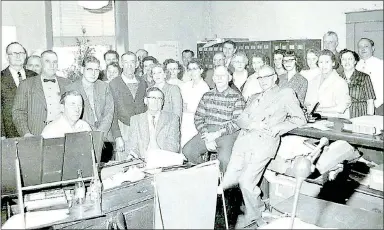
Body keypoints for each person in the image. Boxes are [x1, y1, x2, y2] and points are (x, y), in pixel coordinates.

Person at [220, 65, 307, 228]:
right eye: (260, 78)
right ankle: (231, 216)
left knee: (246, 182)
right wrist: (252, 124)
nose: (263, 81)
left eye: (267, 77)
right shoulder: (253, 97)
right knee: (228, 182)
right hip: (243, 143)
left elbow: (299, 119)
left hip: (263, 144)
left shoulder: (285, 94)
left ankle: (255, 215)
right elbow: (240, 120)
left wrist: (277, 128)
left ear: (275, 77)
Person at [182, 66, 246, 172]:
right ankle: (207, 173)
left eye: (223, 76)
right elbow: (198, 117)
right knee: (187, 151)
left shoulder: (237, 97)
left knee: (224, 160)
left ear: (229, 78)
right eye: (217, 76)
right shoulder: (206, 95)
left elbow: (237, 122)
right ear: (213, 78)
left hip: (227, 133)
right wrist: (206, 134)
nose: (219, 78)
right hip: (207, 132)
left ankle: (223, 185)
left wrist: (217, 134)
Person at [12, 50, 71, 136]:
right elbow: (18, 112)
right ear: (41, 63)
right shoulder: (26, 84)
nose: (52, 65)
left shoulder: (67, 83)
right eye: (47, 61)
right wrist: (26, 133)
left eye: (55, 62)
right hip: (36, 134)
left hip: (63, 133)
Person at [65, 56, 114, 140]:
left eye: (96, 70)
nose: (93, 73)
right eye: (90, 69)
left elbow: (109, 113)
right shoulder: (70, 89)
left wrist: (100, 134)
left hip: (105, 136)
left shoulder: (104, 87)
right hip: (81, 136)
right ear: (82, 70)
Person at [109, 51, 148, 157]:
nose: (129, 66)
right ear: (121, 64)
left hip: (141, 129)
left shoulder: (142, 82)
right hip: (123, 129)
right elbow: (112, 113)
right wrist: (117, 136)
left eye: (132, 62)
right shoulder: (114, 84)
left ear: (136, 64)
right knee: (124, 164)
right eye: (126, 62)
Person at [128, 87, 181, 159]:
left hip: (164, 160)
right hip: (142, 160)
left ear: (162, 103)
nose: (156, 101)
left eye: (159, 99)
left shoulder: (172, 119)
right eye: (153, 98)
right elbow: (133, 146)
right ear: (146, 100)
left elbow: (173, 147)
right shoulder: (135, 120)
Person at [1, 42, 38, 138]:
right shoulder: (1, 78)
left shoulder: (34, 76)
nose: (18, 56)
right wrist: (1, 135)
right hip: (10, 134)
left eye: (21, 53)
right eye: (14, 53)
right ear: (7, 57)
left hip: (33, 131)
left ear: (25, 55)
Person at [304, 49, 351, 118]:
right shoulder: (313, 80)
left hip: (334, 120)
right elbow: (308, 102)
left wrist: (317, 109)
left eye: (327, 62)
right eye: (321, 62)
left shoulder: (340, 82)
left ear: (333, 63)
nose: (323, 65)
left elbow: (341, 108)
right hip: (314, 120)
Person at [180, 58, 210, 147]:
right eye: (189, 69)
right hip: (184, 120)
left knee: (191, 146)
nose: (192, 72)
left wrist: (188, 108)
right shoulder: (186, 85)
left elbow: (202, 109)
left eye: (195, 69)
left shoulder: (204, 88)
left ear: (201, 70)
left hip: (196, 122)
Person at [339, 49, 375, 118]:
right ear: (341, 62)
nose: (347, 62)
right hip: (342, 115)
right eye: (344, 59)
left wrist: (369, 119)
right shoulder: (337, 78)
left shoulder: (364, 77)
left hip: (360, 114)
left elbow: (370, 101)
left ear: (355, 61)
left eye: (350, 59)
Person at [355, 38, 383, 110]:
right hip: (360, 107)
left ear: (373, 48)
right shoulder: (356, 65)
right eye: (360, 47)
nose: (363, 49)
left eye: (366, 46)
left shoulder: (380, 64)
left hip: (379, 105)